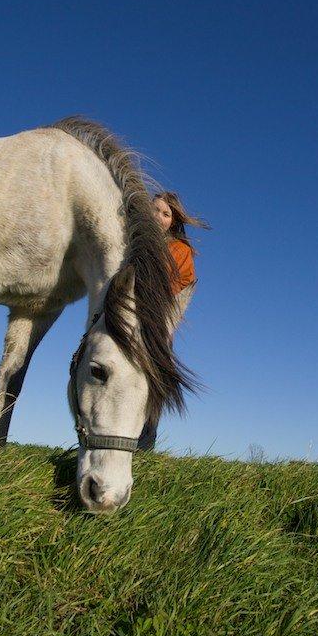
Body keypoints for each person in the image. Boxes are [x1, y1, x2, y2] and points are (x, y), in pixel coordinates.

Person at [137, 191, 209, 451]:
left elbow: (177, 290)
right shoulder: (133, 240)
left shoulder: (180, 250)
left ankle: (145, 443)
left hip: (158, 321)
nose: (158, 216)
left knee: (152, 377)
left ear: (174, 221)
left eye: (165, 214)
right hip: (126, 314)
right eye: (154, 210)